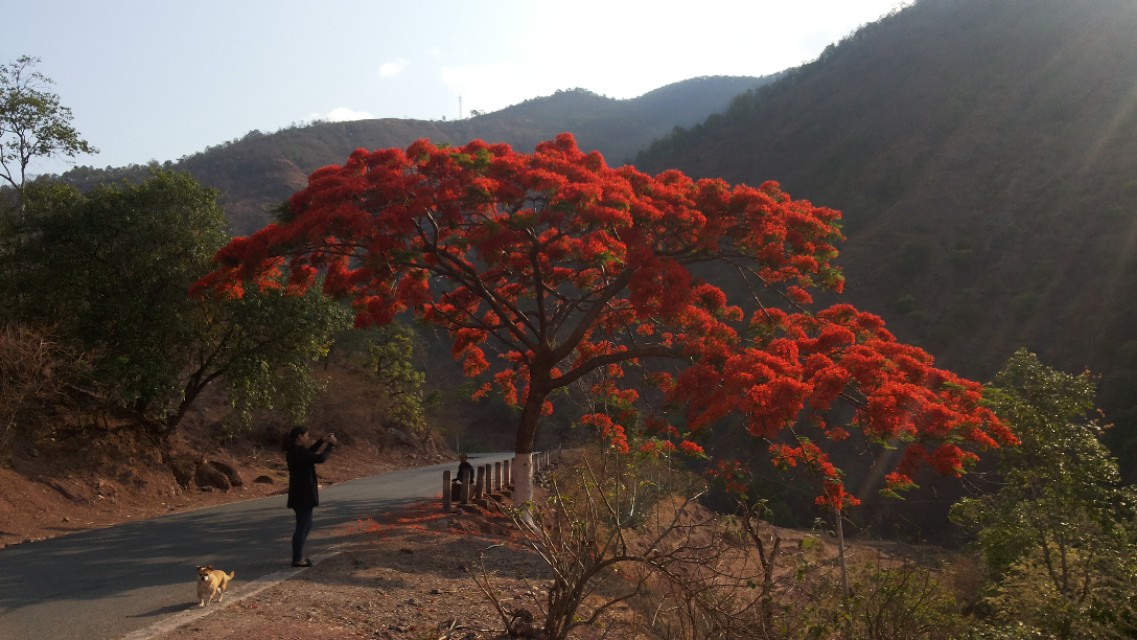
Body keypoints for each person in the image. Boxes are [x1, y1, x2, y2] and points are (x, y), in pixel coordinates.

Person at [285, 426, 336, 568]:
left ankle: (299, 556)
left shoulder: (295, 451)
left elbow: (309, 453)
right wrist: (330, 445)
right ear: (300, 437)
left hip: (300, 494)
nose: (308, 438)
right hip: (303, 495)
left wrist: (322, 441)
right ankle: (297, 559)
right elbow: (320, 458)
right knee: (302, 526)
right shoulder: (298, 452)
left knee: (305, 525)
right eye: (306, 435)